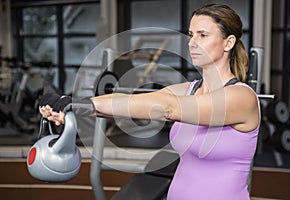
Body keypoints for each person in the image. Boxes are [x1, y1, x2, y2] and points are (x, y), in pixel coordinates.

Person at [39, 3, 260, 200]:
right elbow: (132, 102)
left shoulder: (241, 97)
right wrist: (75, 105)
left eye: (203, 35)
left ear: (228, 42)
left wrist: (84, 105)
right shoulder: (190, 89)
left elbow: (167, 108)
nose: (192, 43)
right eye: (191, 34)